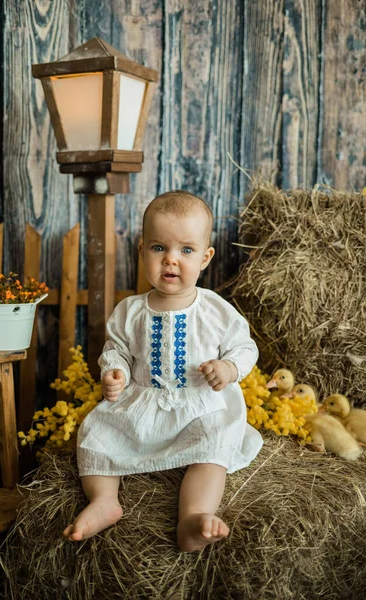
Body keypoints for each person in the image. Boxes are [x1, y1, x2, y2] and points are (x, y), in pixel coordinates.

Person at [63, 190, 263, 552]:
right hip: (142, 402)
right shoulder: (130, 310)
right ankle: (105, 500)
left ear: (205, 258)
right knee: (94, 435)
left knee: (213, 448)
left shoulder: (215, 309)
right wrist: (115, 373)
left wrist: (229, 368)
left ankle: (193, 516)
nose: (171, 260)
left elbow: (245, 347)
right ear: (142, 250)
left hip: (199, 407)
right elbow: (117, 350)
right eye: (158, 248)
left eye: (186, 250)